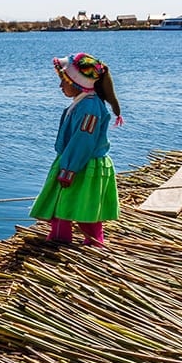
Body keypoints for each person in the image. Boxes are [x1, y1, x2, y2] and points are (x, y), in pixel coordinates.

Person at [29, 52, 123, 245]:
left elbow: (83, 140)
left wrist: (69, 169)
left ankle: (93, 241)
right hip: (73, 160)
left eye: (64, 81)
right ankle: (60, 237)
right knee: (60, 201)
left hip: (82, 163)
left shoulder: (89, 108)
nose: (60, 86)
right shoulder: (83, 102)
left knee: (83, 204)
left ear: (78, 83)